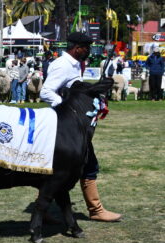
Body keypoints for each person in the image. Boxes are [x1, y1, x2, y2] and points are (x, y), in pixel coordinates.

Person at [40, 32, 122, 222]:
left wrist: (97, 88)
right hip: (66, 125)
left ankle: (43, 210)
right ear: (77, 48)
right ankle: (96, 210)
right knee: (89, 163)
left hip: (70, 125)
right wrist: (67, 109)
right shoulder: (63, 65)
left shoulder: (74, 64)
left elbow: (73, 89)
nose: (88, 51)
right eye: (86, 48)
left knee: (63, 166)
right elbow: (46, 91)